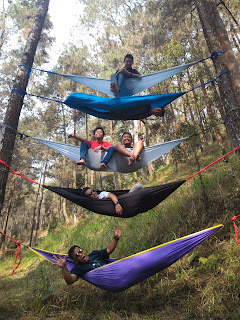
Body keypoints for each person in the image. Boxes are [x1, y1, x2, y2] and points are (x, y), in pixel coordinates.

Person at [52, 225, 122, 285]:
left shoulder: (95, 254)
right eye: (77, 256)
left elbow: (109, 250)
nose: (81, 255)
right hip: (111, 280)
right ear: (75, 261)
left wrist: (116, 238)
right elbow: (70, 281)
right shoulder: (78, 268)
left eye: (80, 251)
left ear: (83, 250)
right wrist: (64, 267)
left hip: (117, 271)